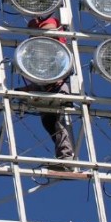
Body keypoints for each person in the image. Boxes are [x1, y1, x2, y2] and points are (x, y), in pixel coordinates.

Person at [27, 16, 75, 169]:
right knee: (50, 123)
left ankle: (66, 159)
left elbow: (49, 29)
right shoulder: (34, 56)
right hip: (45, 90)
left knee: (60, 123)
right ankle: (64, 157)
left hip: (58, 87)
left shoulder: (54, 45)